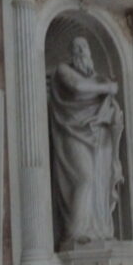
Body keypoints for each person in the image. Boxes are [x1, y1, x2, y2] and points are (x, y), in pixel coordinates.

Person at [49, 36, 124, 247]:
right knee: (85, 177)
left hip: (99, 137)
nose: (81, 50)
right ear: (72, 53)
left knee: (99, 182)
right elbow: (78, 86)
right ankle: (74, 234)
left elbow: (113, 108)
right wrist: (107, 88)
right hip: (71, 133)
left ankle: (98, 230)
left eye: (84, 47)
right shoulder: (63, 71)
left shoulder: (98, 78)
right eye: (77, 47)